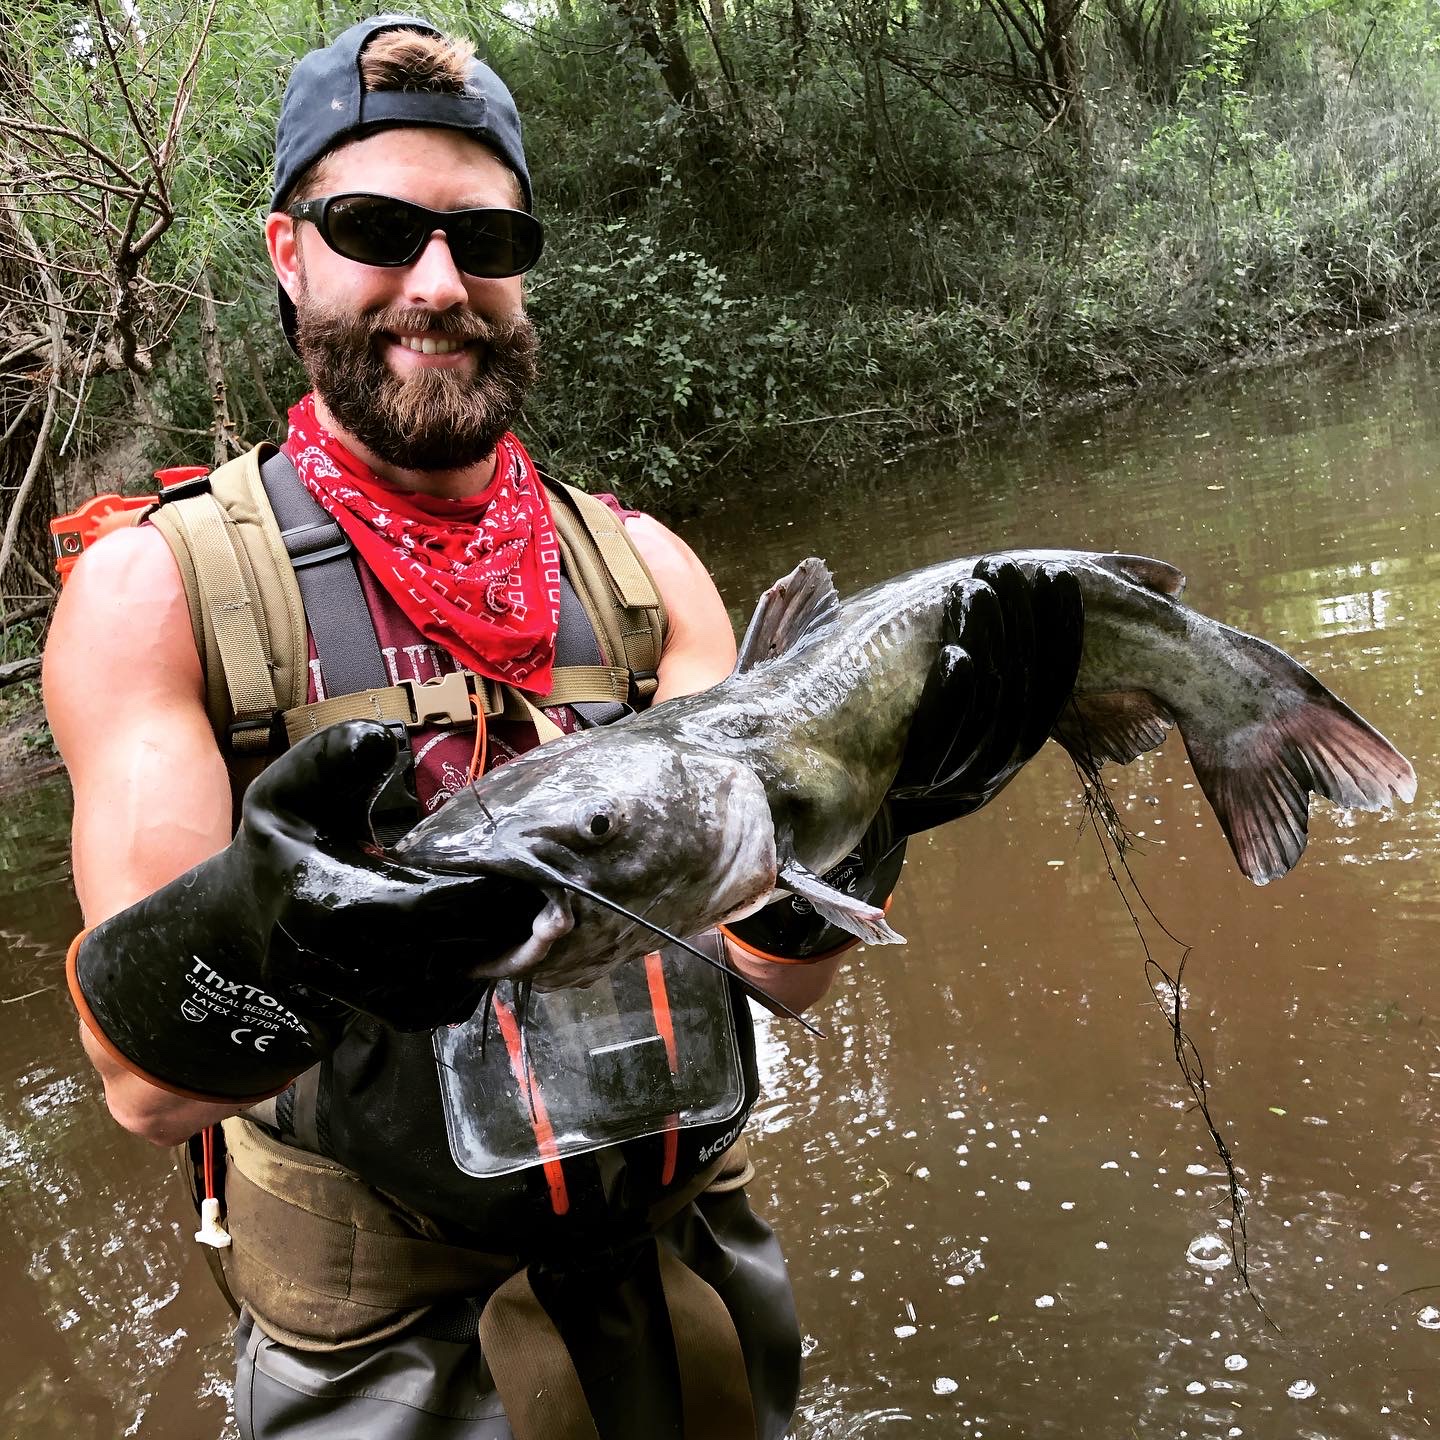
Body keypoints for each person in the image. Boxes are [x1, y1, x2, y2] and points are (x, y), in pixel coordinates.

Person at [43, 15, 1078, 1439]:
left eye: (486, 239)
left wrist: (880, 808)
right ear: (289, 254)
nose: (437, 283)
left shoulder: (646, 569)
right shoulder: (155, 591)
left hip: (689, 1279)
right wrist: (263, 926)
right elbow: (146, 1086)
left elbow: (775, 978)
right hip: (388, 1345)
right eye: (374, 228)